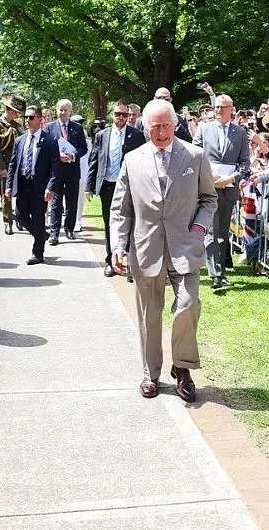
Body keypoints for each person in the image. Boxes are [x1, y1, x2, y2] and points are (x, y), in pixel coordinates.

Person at [110, 99, 218, 401]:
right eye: (155, 126)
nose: (161, 132)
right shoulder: (133, 159)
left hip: (185, 247)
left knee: (188, 304)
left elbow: (209, 199)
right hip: (146, 249)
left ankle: (182, 367)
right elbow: (122, 208)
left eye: (166, 125)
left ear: (175, 124)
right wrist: (118, 245)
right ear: (145, 127)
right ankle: (151, 373)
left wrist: (199, 228)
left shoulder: (194, 156)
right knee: (149, 315)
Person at [193, 94, 250, 289]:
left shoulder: (240, 133)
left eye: (222, 107)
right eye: (216, 107)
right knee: (210, 230)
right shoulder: (204, 129)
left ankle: (221, 272)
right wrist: (208, 177)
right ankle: (215, 274)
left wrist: (231, 178)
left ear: (231, 109)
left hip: (229, 187)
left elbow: (245, 163)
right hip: (209, 187)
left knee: (222, 232)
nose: (218, 110)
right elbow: (195, 156)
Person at [86, 99, 145, 277]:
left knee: (131, 223)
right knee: (110, 223)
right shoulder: (102, 135)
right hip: (107, 185)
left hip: (129, 186)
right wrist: (89, 185)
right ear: (112, 115)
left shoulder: (136, 135)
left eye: (124, 114)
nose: (121, 117)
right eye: (118, 114)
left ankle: (130, 263)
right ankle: (110, 260)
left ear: (129, 116)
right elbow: (94, 160)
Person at [6, 106, 61, 265]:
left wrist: (50, 187)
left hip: (40, 186)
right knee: (21, 216)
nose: (27, 120)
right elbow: (13, 164)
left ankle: (38, 253)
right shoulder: (19, 140)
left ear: (40, 119)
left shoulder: (50, 140)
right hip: (23, 184)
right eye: (26, 117)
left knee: (38, 218)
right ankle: (41, 234)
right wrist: (9, 185)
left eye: (31, 117)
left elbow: (55, 166)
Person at [44, 99, 87, 244]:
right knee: (56, 202)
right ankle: (54, 233)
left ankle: (69, 228)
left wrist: (73, 156)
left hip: (72, 171)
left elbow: (83, 148)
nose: (63, 112)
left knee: (72, 201)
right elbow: (44, 148)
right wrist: (57, 155)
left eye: (66, 110)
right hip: (56, 171)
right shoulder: (49, 128)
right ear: (56, 110)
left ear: (70, 111)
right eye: (60, 109)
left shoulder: (77, 128)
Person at [0, 94, 25, 235]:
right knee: (7, 195)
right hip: (5, 165)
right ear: (9, 109)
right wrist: (1, 168)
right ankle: (7, 221)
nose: (17, 114)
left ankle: (20, 218)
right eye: (15, 111)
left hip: (19, 164)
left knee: (21, 193)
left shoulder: (17, 125)